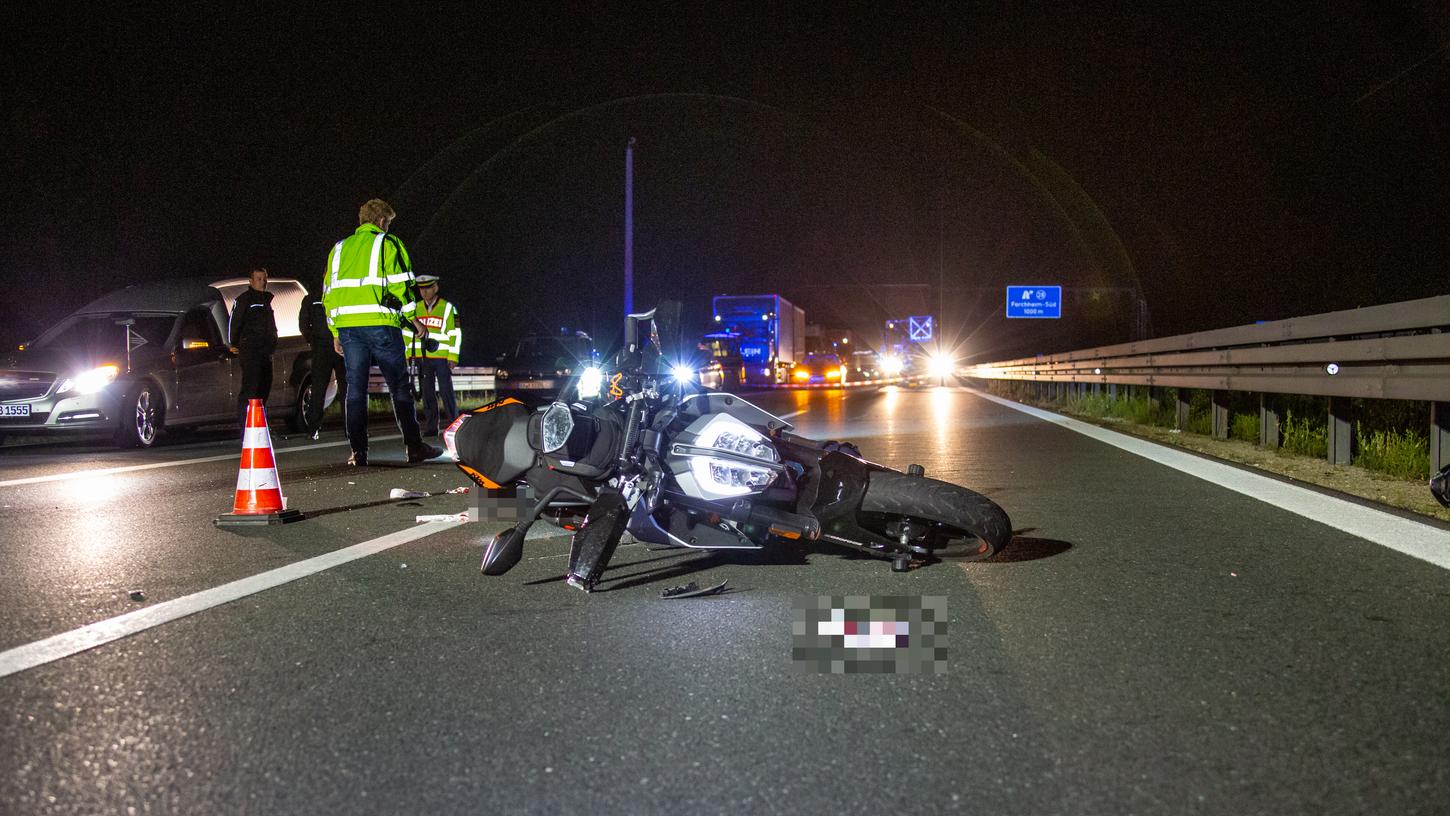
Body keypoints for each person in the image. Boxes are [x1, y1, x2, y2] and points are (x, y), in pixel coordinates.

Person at [321, 198, 441, 466]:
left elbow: (328, 293)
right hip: (382, 325)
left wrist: (334, 332)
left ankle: (358, 453)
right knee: (399, 386)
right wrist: (414, 320)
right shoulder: (388, 243)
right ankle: (413, 447)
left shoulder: (338, 249)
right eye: (388, 223)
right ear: (381, 221)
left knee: (355, 389)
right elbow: (402, 285)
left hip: (349, 329)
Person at [402, 274, 461, 436]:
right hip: (422, 358)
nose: (424, 292)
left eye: (428, 288)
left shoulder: (448, 308)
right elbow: (407, 334)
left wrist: (453, 356)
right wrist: (409, 355)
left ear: (435, 288)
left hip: (442, 358)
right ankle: (431, 426)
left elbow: (455, 333)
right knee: (427, 392)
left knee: (445, 391)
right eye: (421, 289)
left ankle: (454, 423)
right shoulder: (415, 309)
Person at [228, 267, 277, 425]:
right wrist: (234, 343)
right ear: (251, 281)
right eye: (258, 279)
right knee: (251, 389)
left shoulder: (266, 300)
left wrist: (273, 342)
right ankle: (246, 427)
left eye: (264, 279)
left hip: (265, 352)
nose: (262, 282)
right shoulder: (244, 300)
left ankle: (260, 425)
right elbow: (234, 323)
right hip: (251, 351)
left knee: (265, 387)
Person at [298, 282, 346, 439]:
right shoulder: (312, 298)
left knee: (347, 389)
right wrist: (314, 341)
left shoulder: (342, 293)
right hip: (322, 348)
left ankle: (351, 428)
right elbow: (303, 323)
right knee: (318, 389)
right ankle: (313, 429)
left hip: (342, 347)